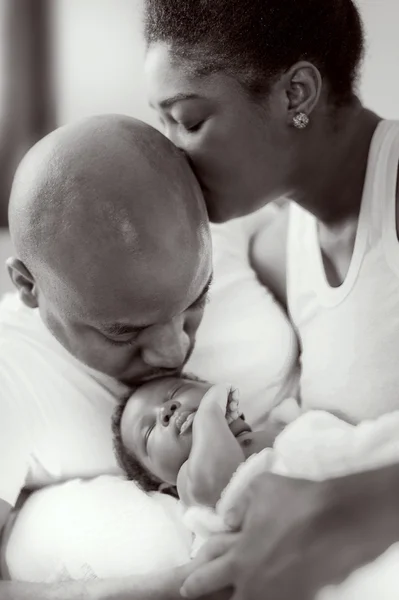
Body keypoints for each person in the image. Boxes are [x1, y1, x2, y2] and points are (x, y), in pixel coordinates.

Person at [142, 0, 399, 597]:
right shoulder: (280, 251)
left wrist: (344, 512)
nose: (172, 151)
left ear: (296, 94)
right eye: (162, 124)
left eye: (188, 119)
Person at [0, 113, 225, 599]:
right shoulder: (9, 375)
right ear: (28, 286)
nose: (175, 348)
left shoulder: (212, 236)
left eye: (196, 299)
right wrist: (190, 586)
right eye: (125, 330)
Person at [112, 376, 285, 504]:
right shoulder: (190, 483)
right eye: (148, 432)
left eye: (175, 392)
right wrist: (209, 412)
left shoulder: (278, 428)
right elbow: (221, 484)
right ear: (167, 487)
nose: (166, 410)